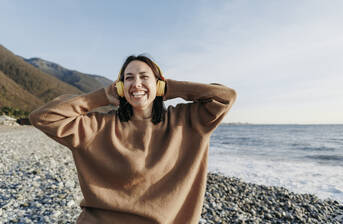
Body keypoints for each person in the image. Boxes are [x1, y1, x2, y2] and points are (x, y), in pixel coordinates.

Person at [29, 54, 237, 224]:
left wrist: (170, 88)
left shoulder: (188, 121)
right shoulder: (97, 127)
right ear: (119, 87)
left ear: (158, 84)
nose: (136, 84)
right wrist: (101, 96)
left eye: (144, 77)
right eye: (129, 78)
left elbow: (225, 97)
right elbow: (43, 117)